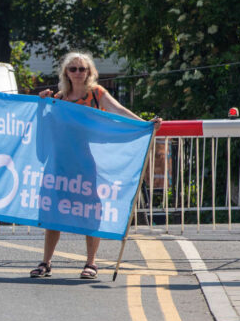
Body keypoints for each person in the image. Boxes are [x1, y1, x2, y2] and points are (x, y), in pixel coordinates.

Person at [33, 52, 159, 279]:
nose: (78, 73)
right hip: (59, 162)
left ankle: (91, 263)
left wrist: (144, 125)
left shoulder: (96, 94)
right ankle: (46, 262)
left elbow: (119, 111)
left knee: (90, 210)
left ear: (90, 72)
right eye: (73, 69)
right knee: (53, 213)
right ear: (66, 73)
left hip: (85, 161)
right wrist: (41, 104)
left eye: (83, 69)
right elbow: (44, 125)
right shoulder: (58, 98)